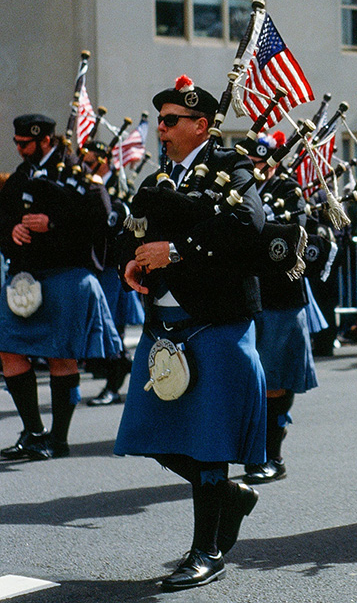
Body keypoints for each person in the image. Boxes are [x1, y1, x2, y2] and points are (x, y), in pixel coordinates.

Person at [114, 76, 264, 590]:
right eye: (160, 119)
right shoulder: (157, 180)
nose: (162, 128)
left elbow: (251, 224)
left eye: (172, 120)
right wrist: (129, 264)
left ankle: (207, 551)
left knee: (207, 443)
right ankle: (231, 497)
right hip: (165, 327)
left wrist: (176, 251)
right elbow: (129, 232)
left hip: (214, 323)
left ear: (202, 125)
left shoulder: (230, 166)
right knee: (151, 434)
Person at [0, 114, 122, 460]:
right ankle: (34, 432)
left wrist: (52, 222)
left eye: (25, 144)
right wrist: (11, 232)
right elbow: (2, 217)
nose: (20, 149)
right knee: (8, 349)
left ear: (45, 140)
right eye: (17, 143)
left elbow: (101, 216)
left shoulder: (79, 172)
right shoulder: (21, 176)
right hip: (25, 277)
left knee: (61, 357)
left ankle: (58, 439)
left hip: (67, 274)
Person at [241, 133, 318, 484]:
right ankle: (248, 451)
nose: (257, 168)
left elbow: (293, 233)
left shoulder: (288, 191)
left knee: (274, 381)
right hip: (242, 294)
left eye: (263, 162)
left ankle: (272, 456)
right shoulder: (238, 189)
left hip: (279, 297)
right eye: (252, 163)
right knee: (243, 381)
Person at [81, 140, 145, 406]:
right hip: (96, 264)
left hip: (112, 266)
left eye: (90, 159)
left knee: (111, 327)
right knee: (101, 326)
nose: (84, 163)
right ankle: (115, 374)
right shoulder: (91, 184)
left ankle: (113, 383)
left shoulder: (116, 187)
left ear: (103, 160)